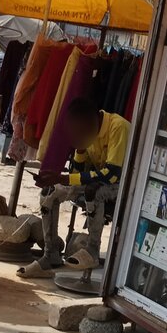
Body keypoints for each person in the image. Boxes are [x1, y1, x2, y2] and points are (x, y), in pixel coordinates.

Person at [19, 98, 130, 278]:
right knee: (50, 192)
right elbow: (78, 172)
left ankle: (92, 250)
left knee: (93, 191)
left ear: (92, 122)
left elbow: (112, 174)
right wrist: (57, 177)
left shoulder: (118, 127)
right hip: (99, 179)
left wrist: (64, 177)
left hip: (123, 185)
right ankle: (51, 253)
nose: (75, 137)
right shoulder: (86, 134)